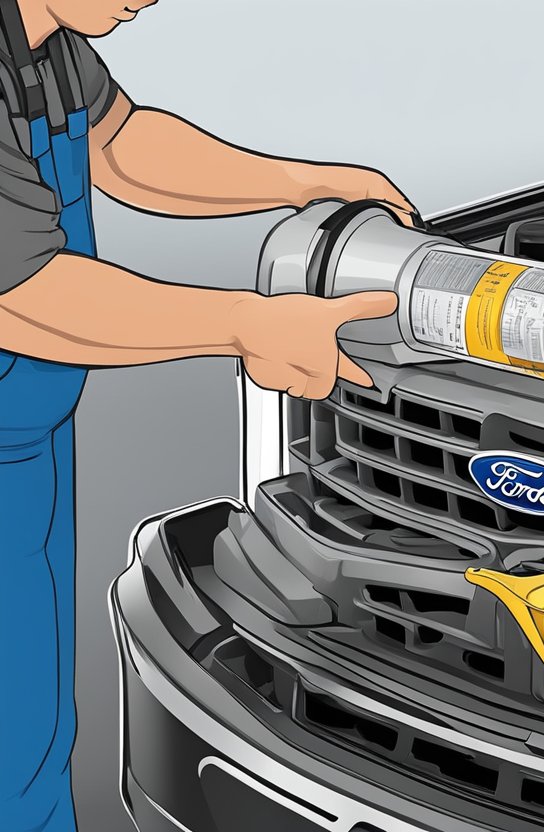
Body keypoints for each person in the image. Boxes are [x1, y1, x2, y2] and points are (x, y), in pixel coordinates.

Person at [0, 2, 407, 829]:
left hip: (29, 439)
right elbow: (24, 295)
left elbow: (122, 145)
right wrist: (243, 323)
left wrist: (301, 182)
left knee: (35, 718)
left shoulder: (47, 47)